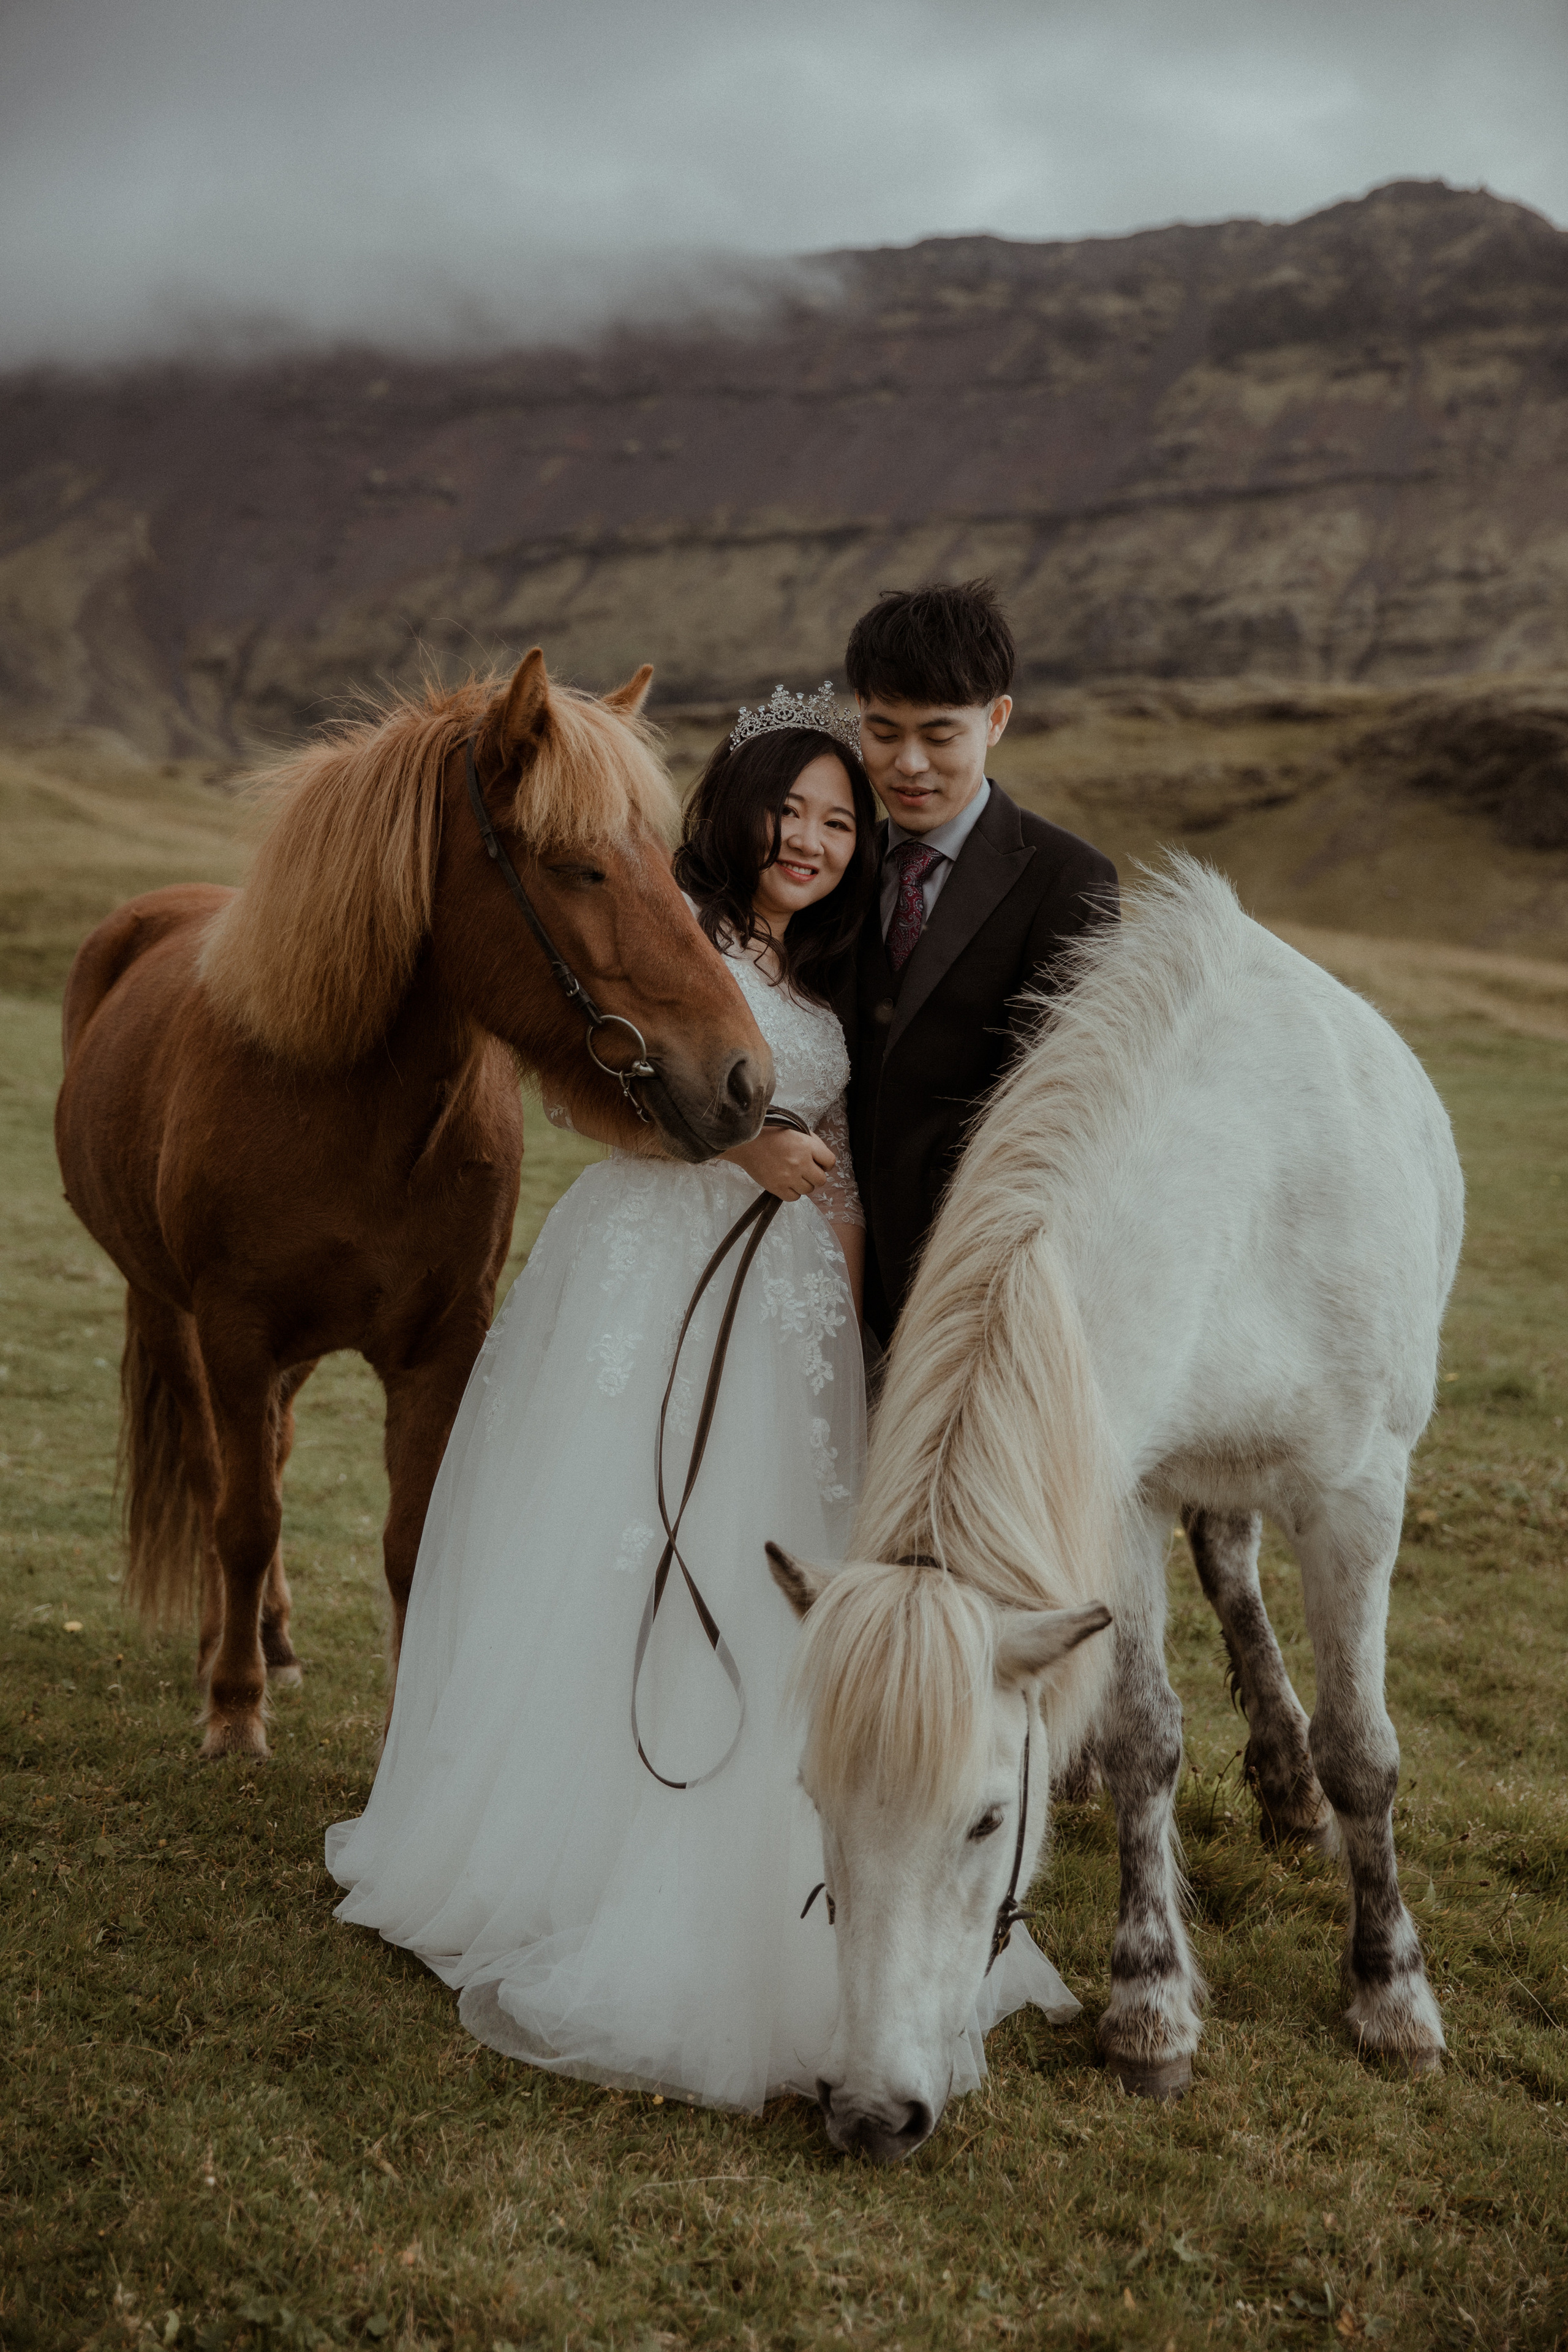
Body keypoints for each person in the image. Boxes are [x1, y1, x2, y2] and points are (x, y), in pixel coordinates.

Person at [326, 685, 1077, 2111]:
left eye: (837, 822)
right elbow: (577, 1092)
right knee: (611, 1546)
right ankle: (565, 1849)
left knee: (768, 1565)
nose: (809, 839)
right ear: (738, 811)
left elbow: (838, 1165)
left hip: (787, 1294)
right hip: (647, 1269)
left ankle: (760, 1855)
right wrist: (737, 1156)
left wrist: (851, 1326)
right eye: (787, 811)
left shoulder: (841, 974)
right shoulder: (667, 919)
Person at [835, 580, 1119, 1347]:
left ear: (995, 720)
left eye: (940, 735)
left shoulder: (1069, 880)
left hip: (970, 1288)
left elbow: (1061, 1114)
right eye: (883, 732)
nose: (909, 764)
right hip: (817, 1260)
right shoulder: (832, 860)